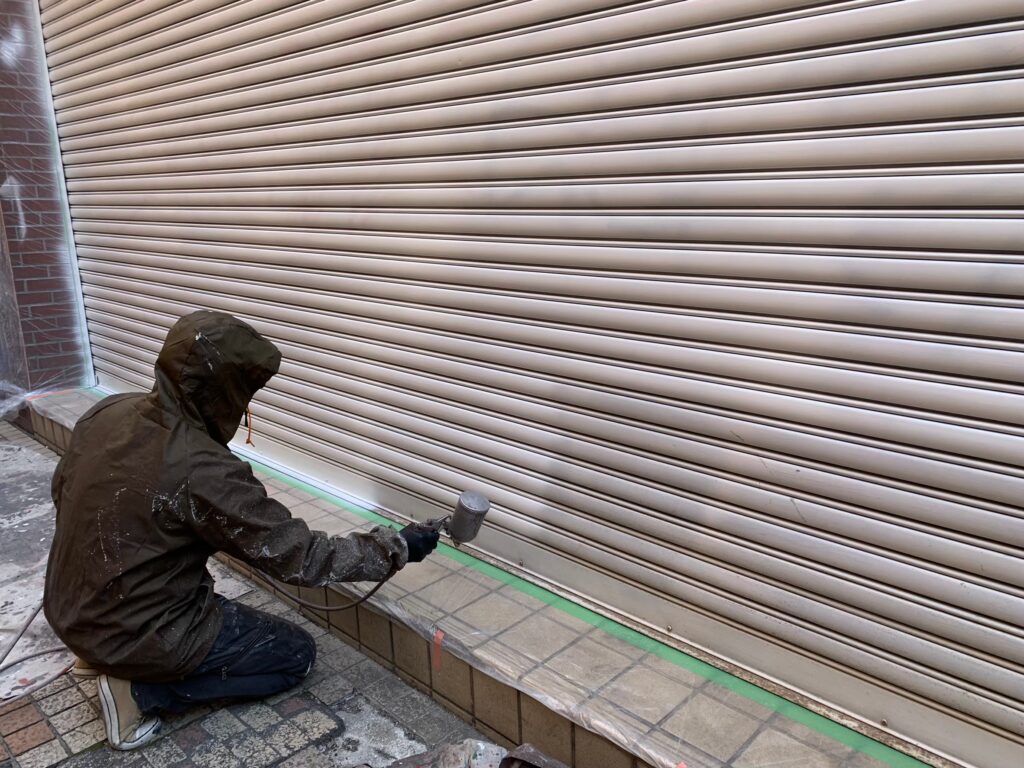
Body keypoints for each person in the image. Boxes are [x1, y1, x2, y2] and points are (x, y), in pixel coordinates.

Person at [43, 310, 440, 750]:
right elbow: (300, 556)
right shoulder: (204, 468)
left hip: (69, 611)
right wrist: (395, 546)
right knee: (294, 655)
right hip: (137, 632)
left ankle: (99, 652)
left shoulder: (109, 411)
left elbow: (63, 492)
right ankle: (139, 691)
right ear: (223, 391)